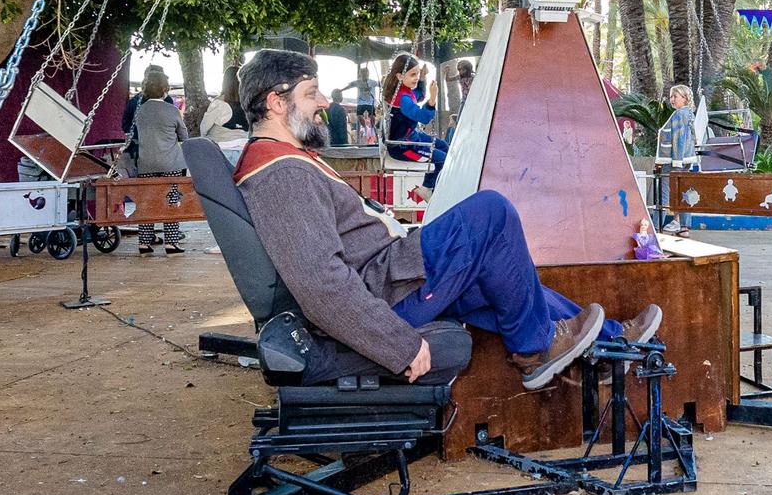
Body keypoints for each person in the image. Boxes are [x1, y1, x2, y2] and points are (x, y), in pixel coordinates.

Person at [233, 50, 661, 389]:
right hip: (387, 289)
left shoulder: (287, 162)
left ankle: (605, 344)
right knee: (490, 211)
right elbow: (321, 284)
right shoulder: (281, 174)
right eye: (312, 93)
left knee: (497, 271)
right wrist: (397, 345)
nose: (324, 103)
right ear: (276, 101)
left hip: (390, 274)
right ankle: (537, 348)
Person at [131, 65, 189, 255]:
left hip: (146, 162)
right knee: (171, 200)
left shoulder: (140, 111)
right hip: (171, 163)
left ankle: (144, 242)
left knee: (147, 201)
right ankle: (171, 242)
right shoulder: (171, 110)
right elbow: (183, 136)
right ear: (165, 89)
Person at [382, 53, 447, 182]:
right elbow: (423, 117)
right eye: (413, 75)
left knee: (443, 145)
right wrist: (433, 98)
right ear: (400, 76)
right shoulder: (403, 99)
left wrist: (422, 78)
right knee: (444, 159)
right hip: (404, 147)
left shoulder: (403, 90)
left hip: (411, 136)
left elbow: (419, 96)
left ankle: (431, 185)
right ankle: (427, 187)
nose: (416, 78)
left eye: (417, 74)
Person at [655, 84, 699, 165]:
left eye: (675, 96)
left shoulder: (678, 114)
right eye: (671, 97)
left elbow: (678, 138)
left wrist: (677, 161)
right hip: (687, 157)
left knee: (668, 177)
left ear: (684, 98)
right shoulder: (689, 113)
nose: (672, 99)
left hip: (673, 160)